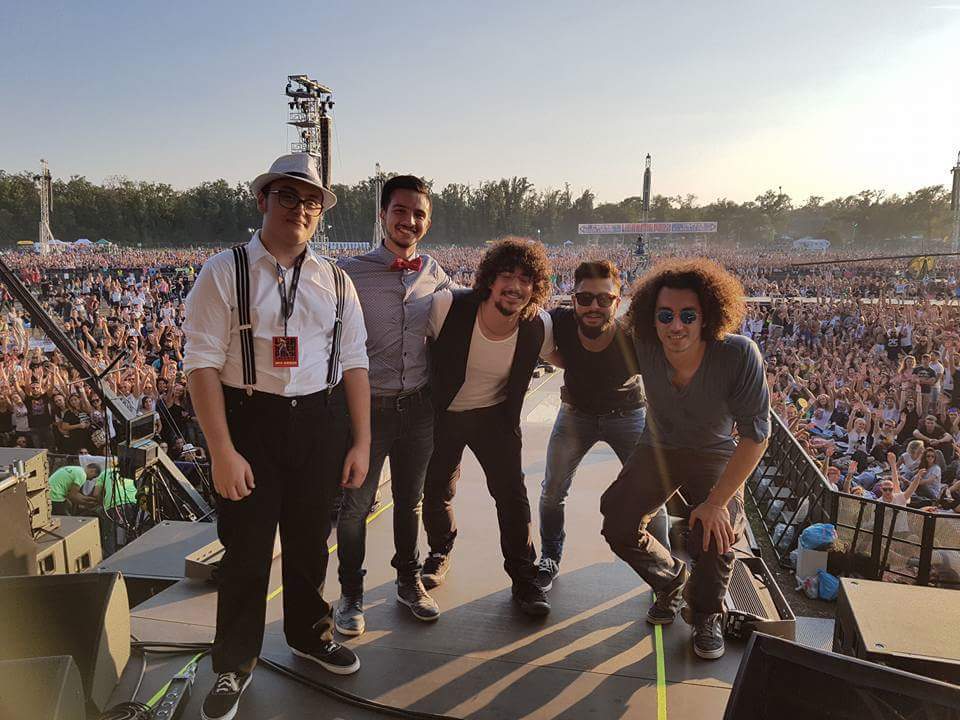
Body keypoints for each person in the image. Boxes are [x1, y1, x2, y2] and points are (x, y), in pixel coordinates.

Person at [184, 153, 371, 720]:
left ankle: (309, 635)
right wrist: (222, 450)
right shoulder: (225, 272)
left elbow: (355, 362)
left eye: (311, 201)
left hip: (320, 418)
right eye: (288, 196)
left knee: (311, 540)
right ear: (263, 199)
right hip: (251, 419)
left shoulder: (335, 279)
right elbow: (201, 365)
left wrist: (361, 441)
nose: (300, 209)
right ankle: (233, 663)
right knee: (247, 547)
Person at [600, 258, 770, 660]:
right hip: (659, 448)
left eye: (688, 315)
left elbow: (756, 436)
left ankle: (707, 613)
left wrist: (717, 503)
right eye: (665, 315)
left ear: (707, 316)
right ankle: (671, 580)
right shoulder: (641, 343)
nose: (676, 326)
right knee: (618, 520)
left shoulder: (738, 354)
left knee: (715, 532)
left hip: (714, 451)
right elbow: (589, 342)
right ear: (651, 318)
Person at [334, 175, 453, 634]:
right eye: (400, 211)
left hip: (419, 407)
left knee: (411, 502)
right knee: (355, 507)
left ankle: (408, 581)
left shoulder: (436, 273)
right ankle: (351, 593)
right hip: (367, 410)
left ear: (428, 222)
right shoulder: (349, 273)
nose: (410, 221)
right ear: (383, 214)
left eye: (419, 214)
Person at [421, 237, 554, 616]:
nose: (516, 286)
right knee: (437, 489)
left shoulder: (538, 325)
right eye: (507, 275)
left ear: (535, 288)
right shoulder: (447, 307)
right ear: (489, 279)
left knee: (512, 497)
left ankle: (524, 579)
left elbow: (569, 356)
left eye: (525, 279)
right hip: (444, 414)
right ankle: (439, 550)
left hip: (495, 417)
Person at [537, 259, 670, 591]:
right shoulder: (559, 323)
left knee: (651, 493)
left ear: (617, 300)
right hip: (576, 414)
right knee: (552, 491)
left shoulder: (634, 336)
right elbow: (549, 352)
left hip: (627, 413)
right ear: (573, 298)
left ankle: (664, 570)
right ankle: (549, 557)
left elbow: (663, 377)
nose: (593, 306)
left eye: (603, 299)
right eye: (585, 298)